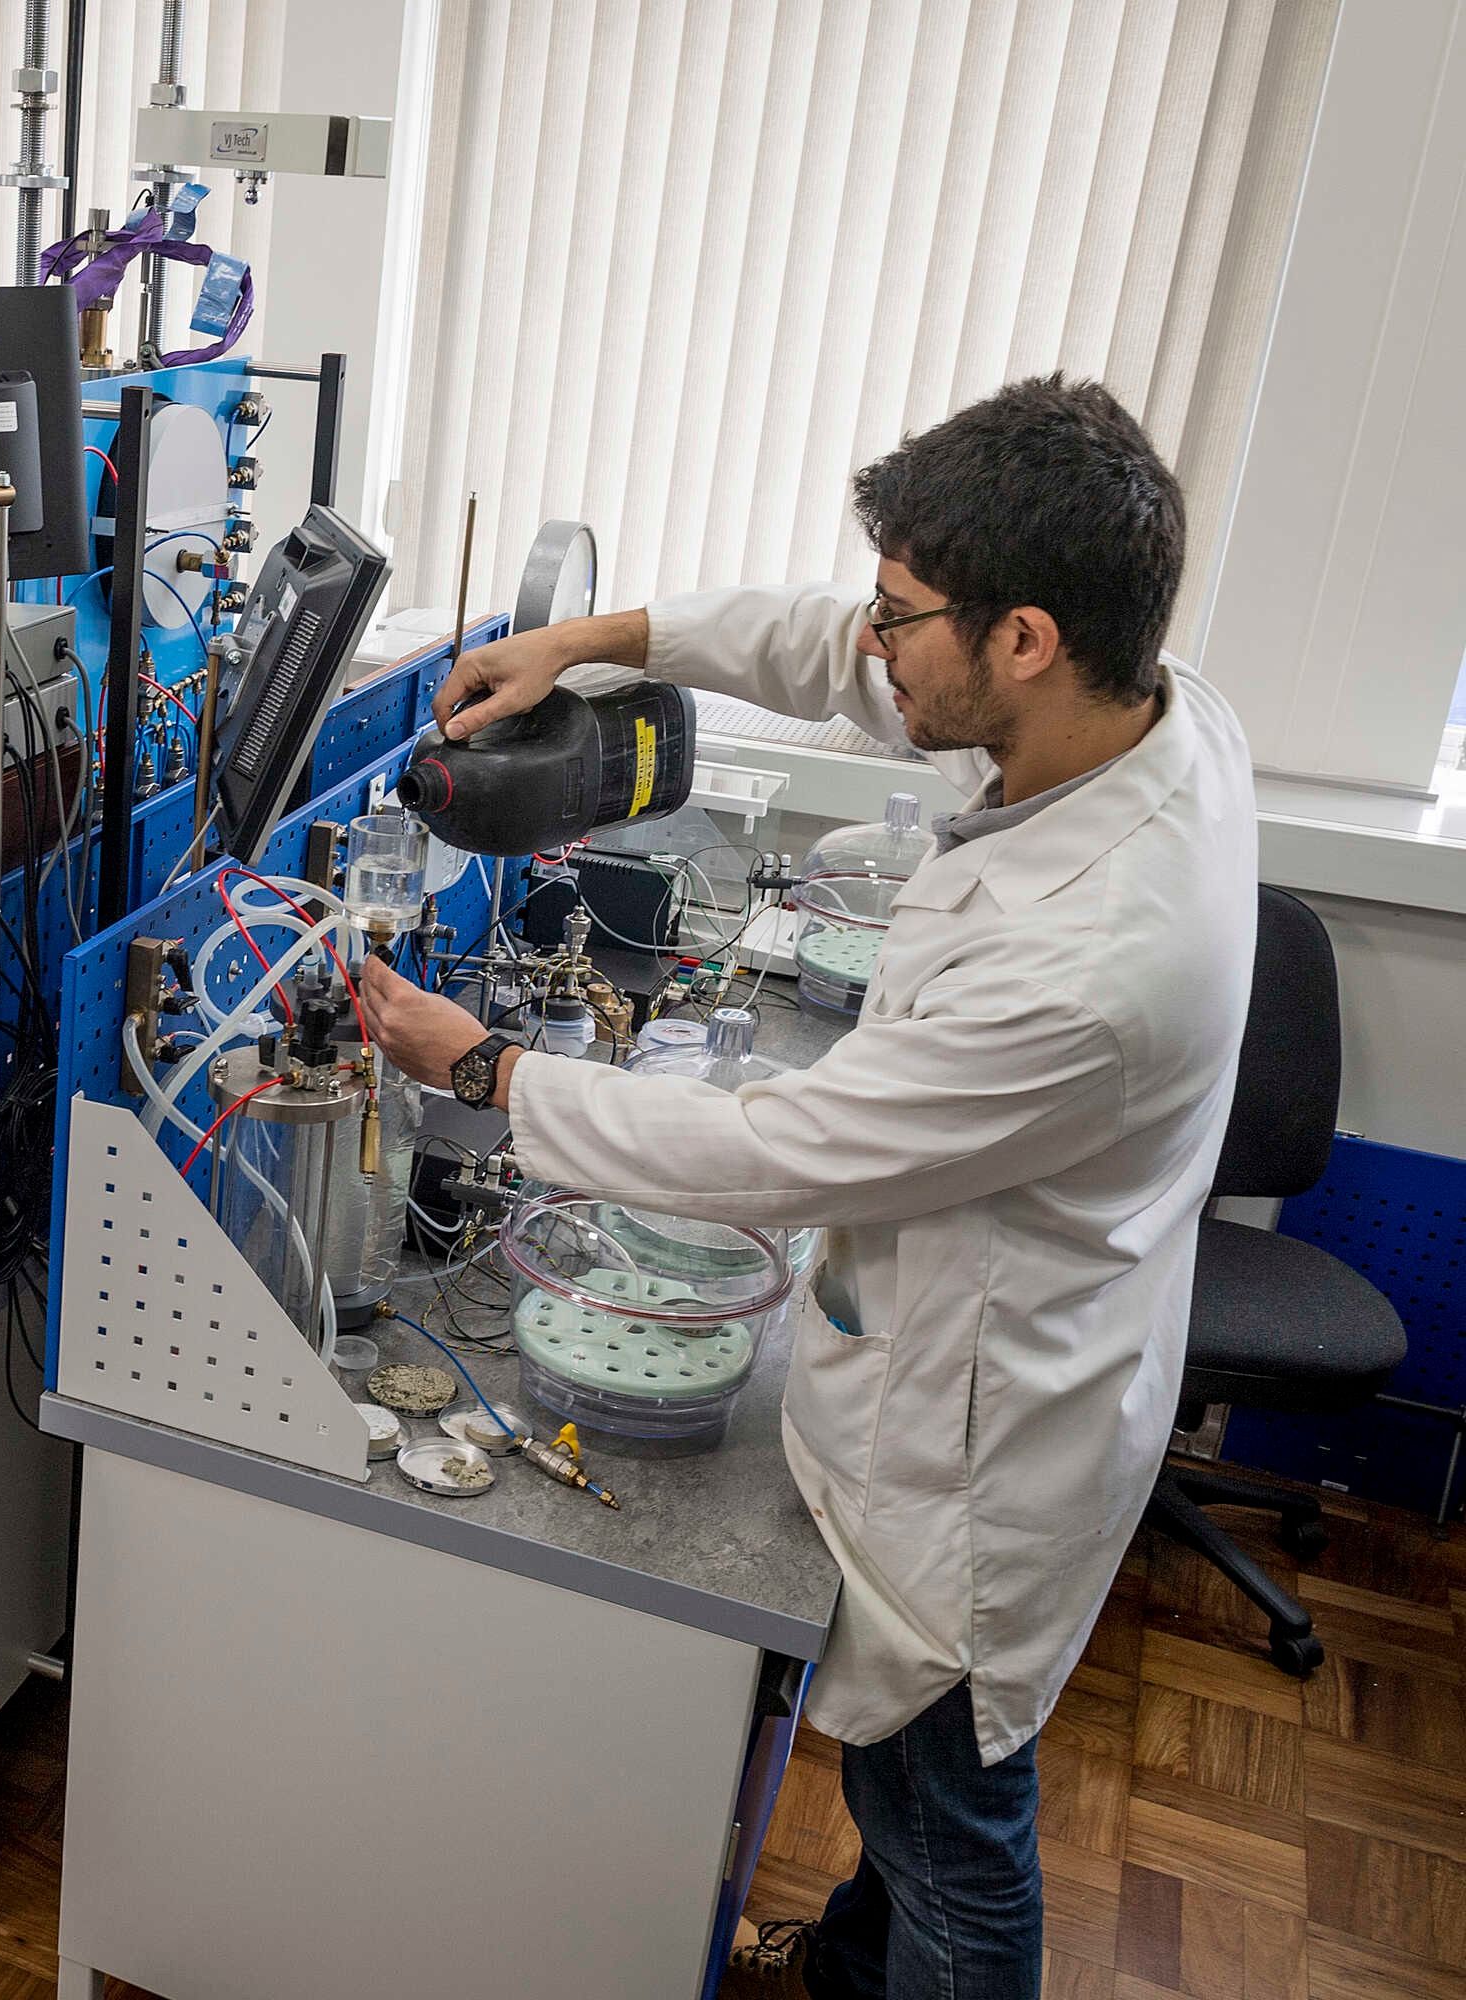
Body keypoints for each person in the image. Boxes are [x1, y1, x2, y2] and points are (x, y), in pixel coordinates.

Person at [355, 376, 1255, 2000]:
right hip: (1007, 1321)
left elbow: (783, 1154)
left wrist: (484, 1072)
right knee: (911, 1799)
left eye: (906, 617)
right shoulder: (1153, 706)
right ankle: (846, 1972)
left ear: (1027, 638)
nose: (872, 645)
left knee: (952, 1829)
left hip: (984, 1441)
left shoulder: (1100, 961)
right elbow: (814, 647)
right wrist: (586, 639)